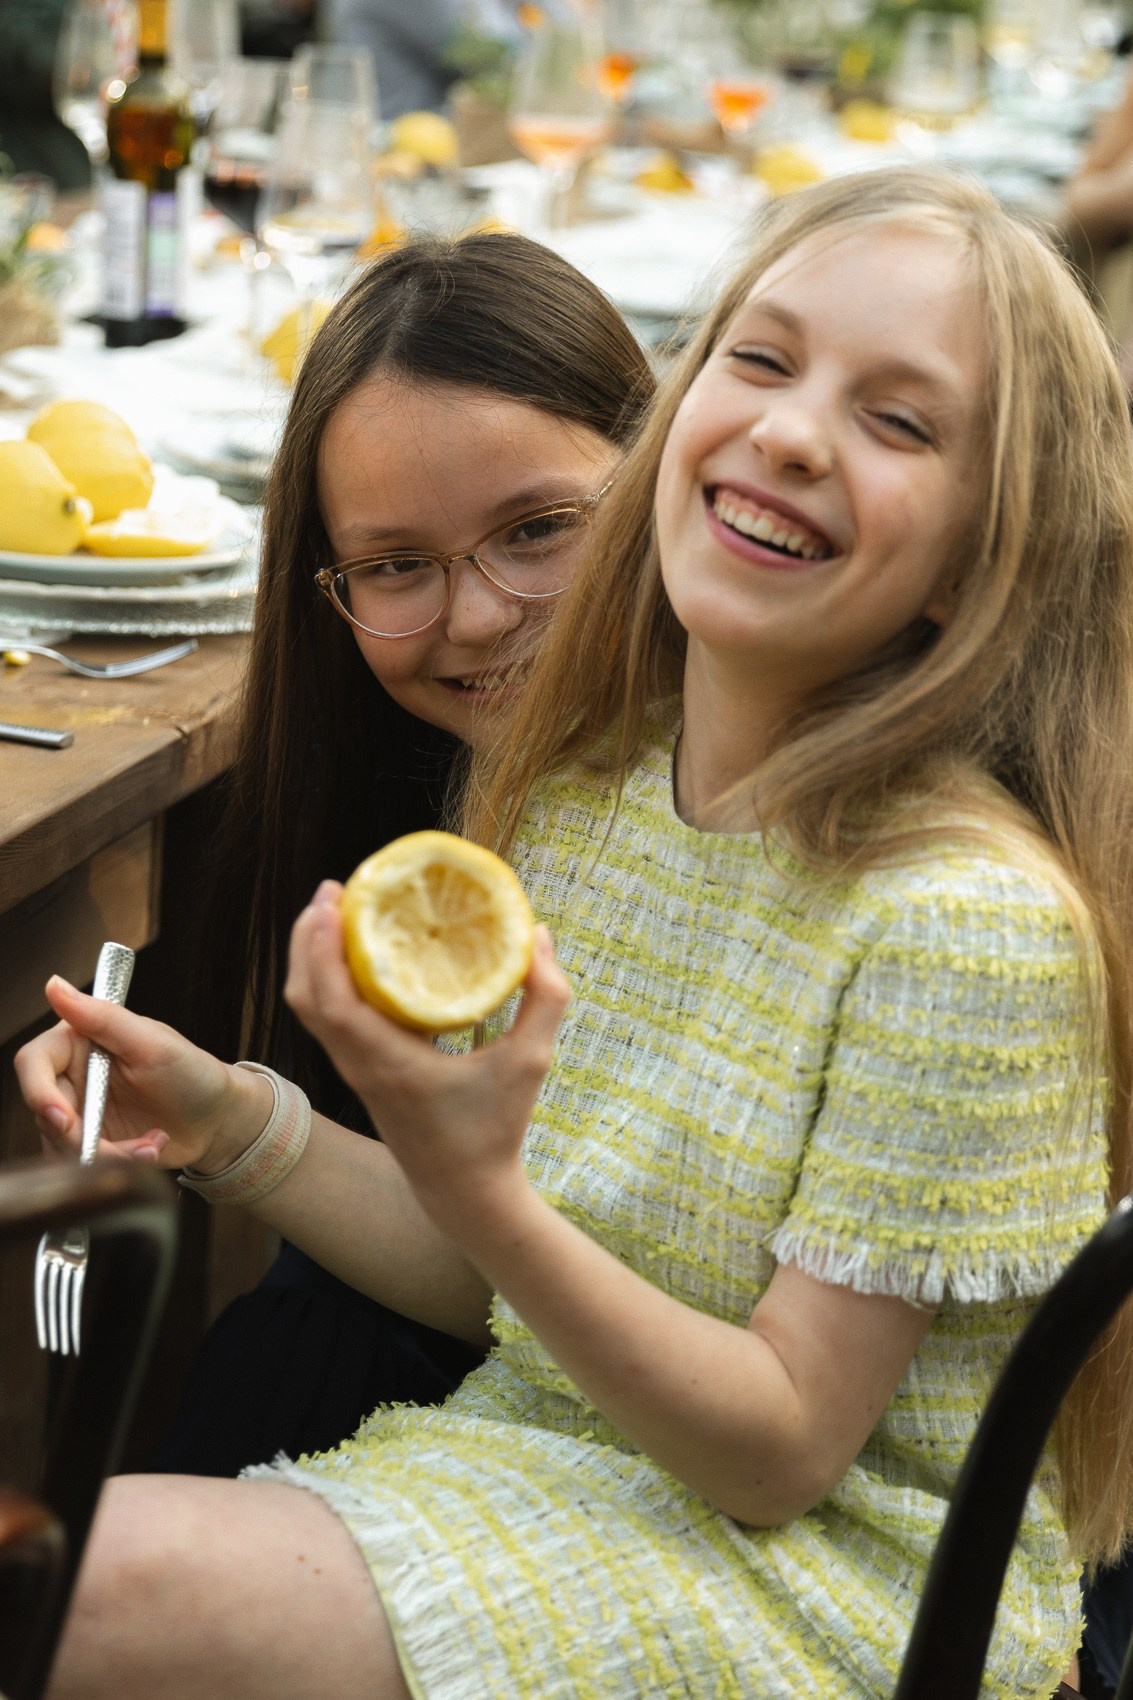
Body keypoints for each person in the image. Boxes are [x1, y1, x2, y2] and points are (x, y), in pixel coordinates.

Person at [19, 165, 1133, 1699]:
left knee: (95, 1582)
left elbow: (782, 1451)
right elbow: (515, 1287)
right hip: (556, 1464)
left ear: (983, 555)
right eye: (760, 358)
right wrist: (230, 1117)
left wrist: (479, 1183)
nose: (796, 429)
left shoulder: (968, 927)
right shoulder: (587, 795)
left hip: (827, 1586)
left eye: (899, 419)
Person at [147, 228, 655, 1478]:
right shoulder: (401, 795)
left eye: (538, 529)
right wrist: (215, 1108)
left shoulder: (716, 804)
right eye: (393, 565)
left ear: (654, 472)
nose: (477, 615)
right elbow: (490, 1270)